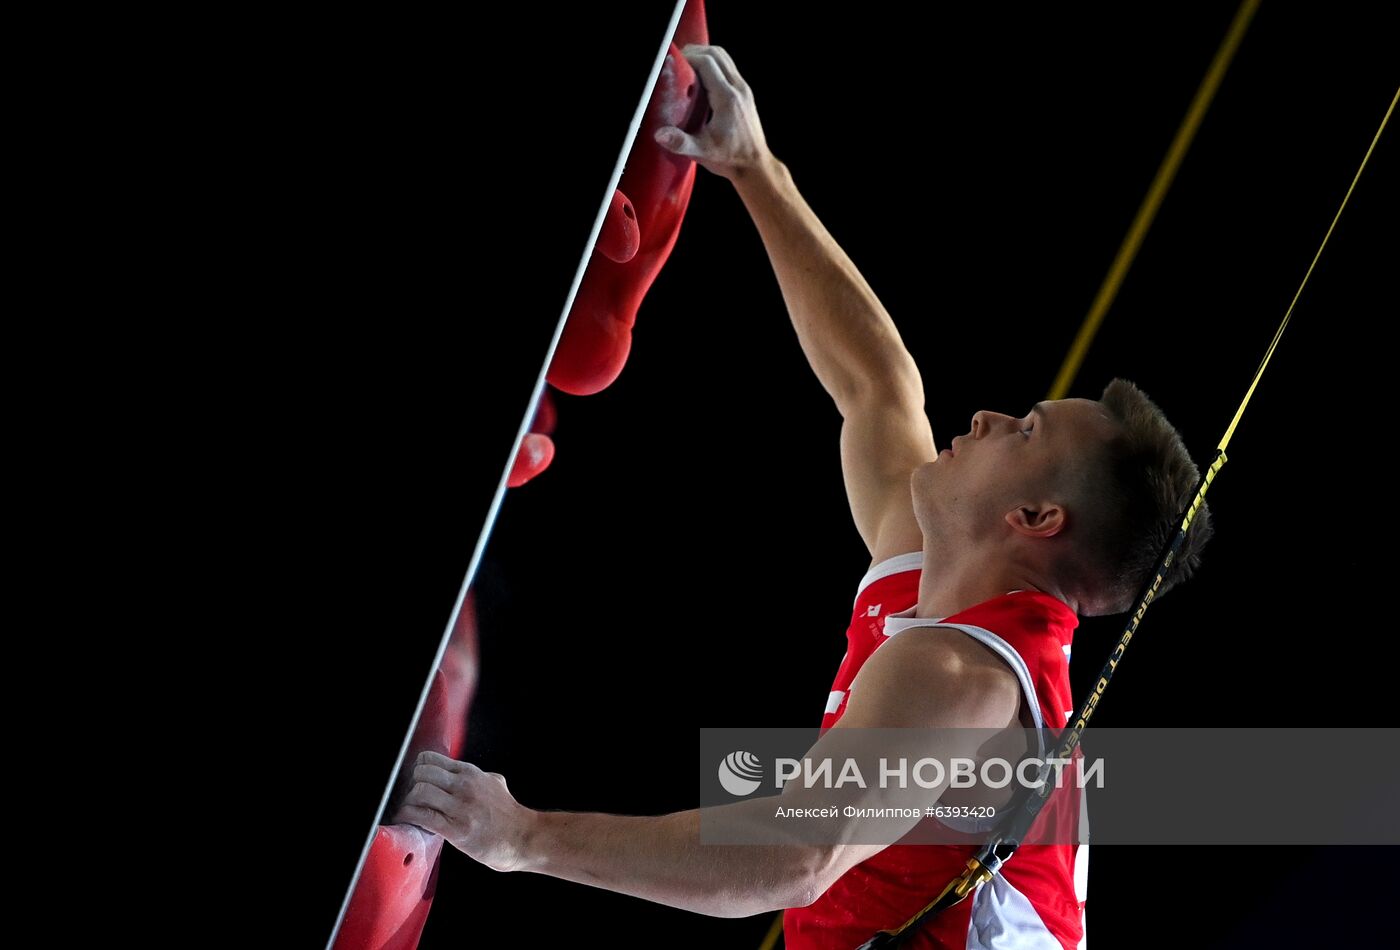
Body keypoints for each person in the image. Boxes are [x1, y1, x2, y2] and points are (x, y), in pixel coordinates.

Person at [392, 43, 1213, 948]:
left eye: (1023, 430)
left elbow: (790, 856)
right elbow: (875, 381)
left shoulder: (965, 685)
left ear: (1034, 520)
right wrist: (751, 164)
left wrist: (525, 838)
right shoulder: (934, 571)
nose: (985, 415)